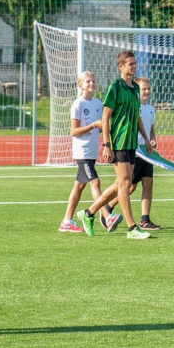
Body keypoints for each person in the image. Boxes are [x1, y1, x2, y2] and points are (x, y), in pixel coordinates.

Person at [76, 50, 153, 240]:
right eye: (130, 64)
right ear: (121, 66)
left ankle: (89, 213)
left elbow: (137, 117)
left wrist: (145, 138)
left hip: (131, 143)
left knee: (121, 184)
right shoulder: (115, 87)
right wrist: (107, 144)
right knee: (126, 184)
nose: (134, 67)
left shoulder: (134, 89)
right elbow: (106, 116)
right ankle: (132, 228)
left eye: (135, 63)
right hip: (118, 142)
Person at [59, 71, 121, 233]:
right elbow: (73, 131)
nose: (91, 84)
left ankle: (66, 221)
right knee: (95, 182)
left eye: (93, 81)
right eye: (87, 82)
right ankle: (107, 217)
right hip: (82, 152)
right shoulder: (78, 105)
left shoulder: (98, 103)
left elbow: (104, 123)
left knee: (79, 187)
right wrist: (93, 125)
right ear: (80, 85)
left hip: (92, 151)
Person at [104, 75, 161, 230]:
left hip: (146, 152)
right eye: (143, 89)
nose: (147, 91)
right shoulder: (133, 105)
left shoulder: (150, 109)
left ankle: (145, 219)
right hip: (133, 150)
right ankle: (107, 208)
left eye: (148, 88)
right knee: (128, 186)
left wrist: (152, 139)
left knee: (148, 182)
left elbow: (151, 129)